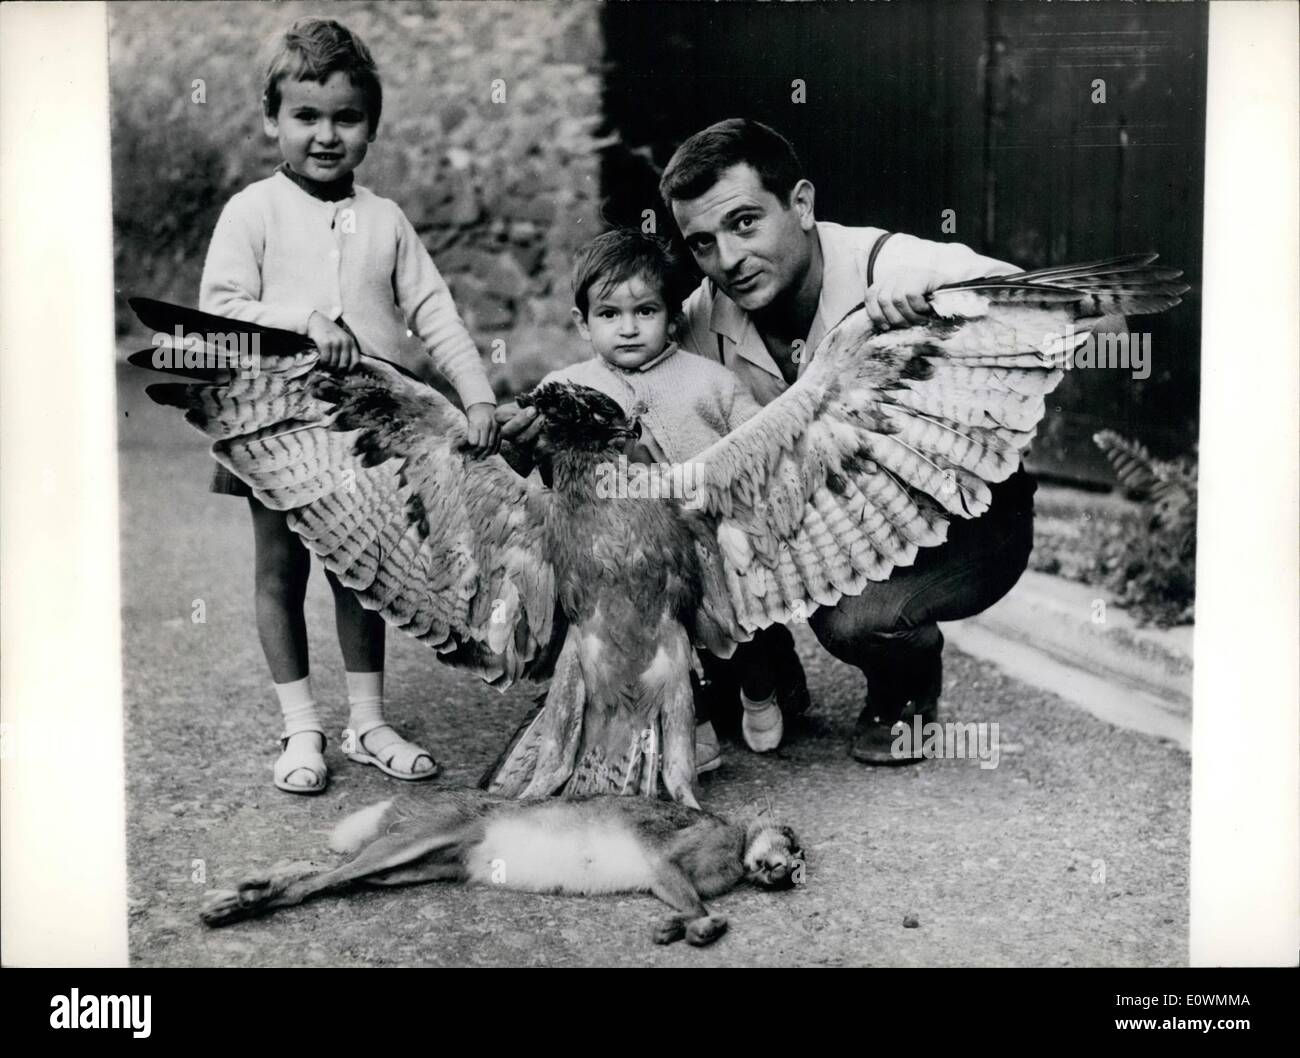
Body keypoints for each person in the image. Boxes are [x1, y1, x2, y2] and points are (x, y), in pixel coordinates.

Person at [199, 18, 499, 793]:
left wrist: (474, 392)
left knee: (362, 572)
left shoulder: (387, 221)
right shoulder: (252, 212)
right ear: (273, 120)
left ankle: (368, 721)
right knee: (280, 570)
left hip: (369, 437)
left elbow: (432, 310)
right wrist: (300, 319)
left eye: (346, 118)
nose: (325, 135)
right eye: (306, 116)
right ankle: (302, 729)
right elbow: (219, 308)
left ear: (370, 128)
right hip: (276, 425)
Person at [513, 228, 794, 771]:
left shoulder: (708, 381)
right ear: (582, 322)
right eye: (610, 314)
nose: (629, 327)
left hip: (704, 536)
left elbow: (757, 443)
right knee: (661, 644)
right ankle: (694, 726)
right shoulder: (564, 387)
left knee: (745, 619)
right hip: (616, 554)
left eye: (645, 311)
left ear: (672, 317)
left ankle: (759, 693)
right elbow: (539, 478)